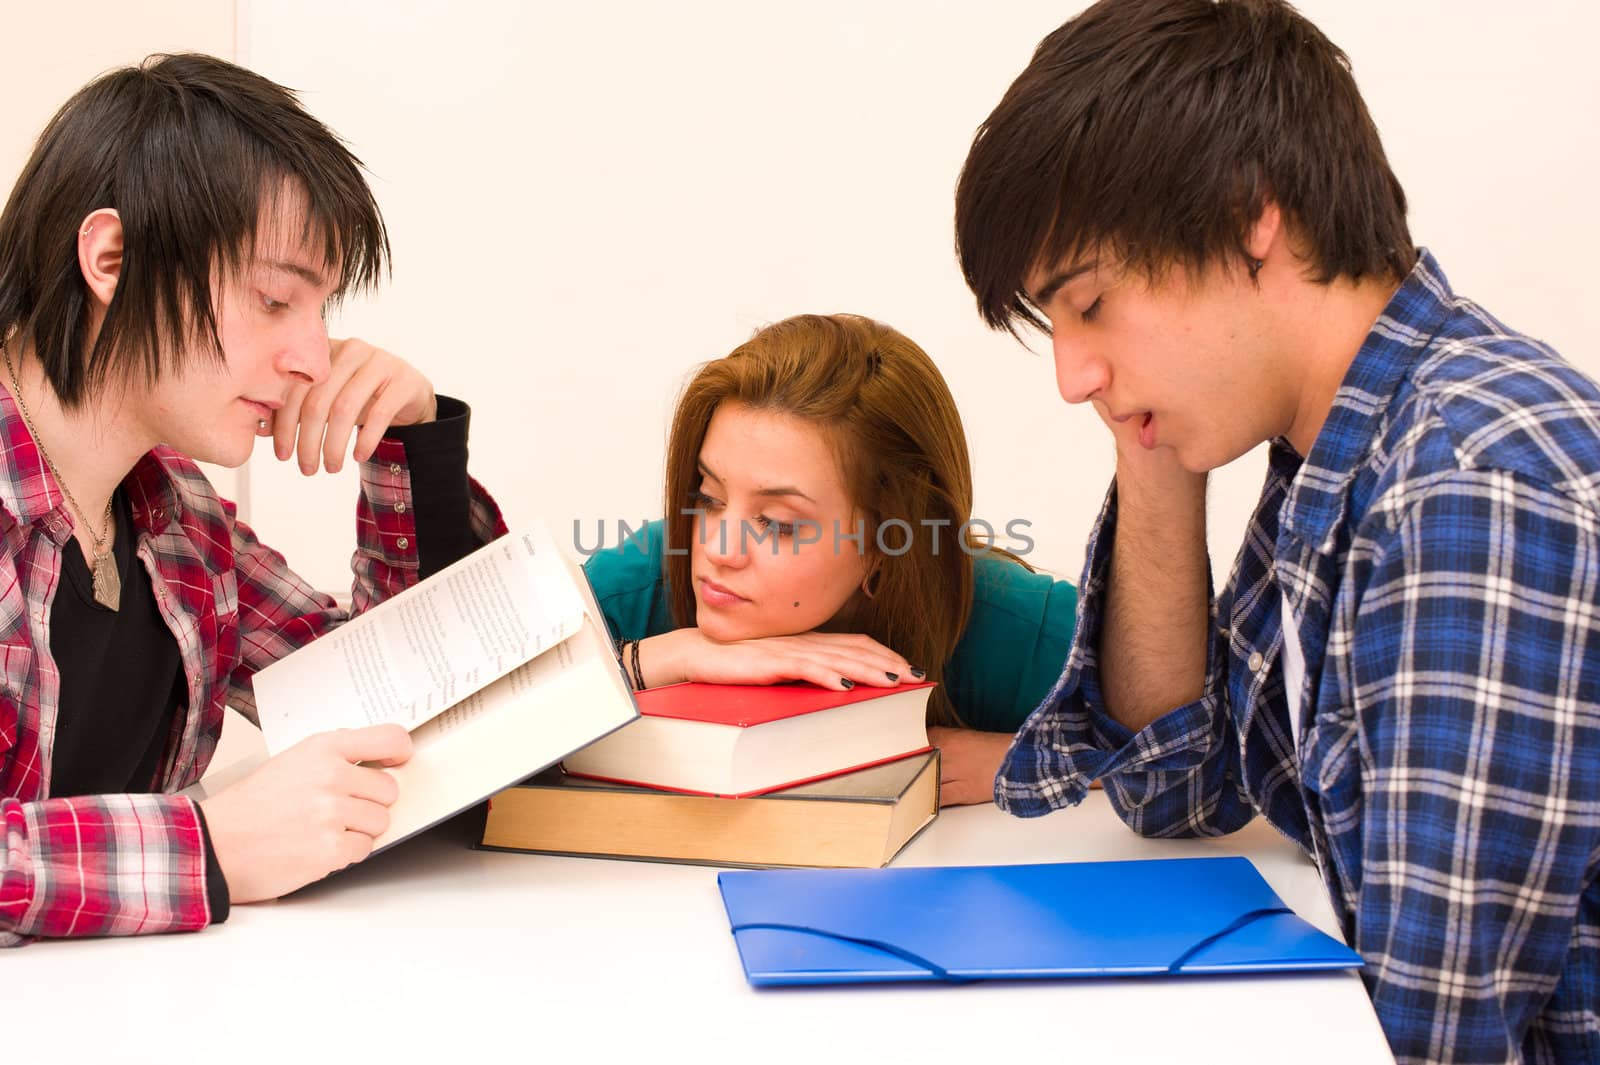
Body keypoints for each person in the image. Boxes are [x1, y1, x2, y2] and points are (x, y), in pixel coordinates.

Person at [952, 1, 1599, 1061]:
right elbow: (1174, 785)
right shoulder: (1339, 448)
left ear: (1251, 212)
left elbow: (1429, 1038)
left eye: (1091, 304)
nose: (1072, 378)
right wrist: (1151, 448)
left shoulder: (1465, 489)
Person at [0, 54, 503, 945]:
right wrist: (213, 843)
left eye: (319, 309)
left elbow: (398, 704)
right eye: (274, 299)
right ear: (110, 258)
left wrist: (411, 442)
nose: (314, 355)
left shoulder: (176, 519)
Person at [582, 313, 1077, 805]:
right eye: (710, 497)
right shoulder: (640, 583)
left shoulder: (1005, 621)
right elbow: (503, 703)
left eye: (777, 522)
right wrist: (664, 657)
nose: (717, 549)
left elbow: (1155, 739)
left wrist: (1024, 762)